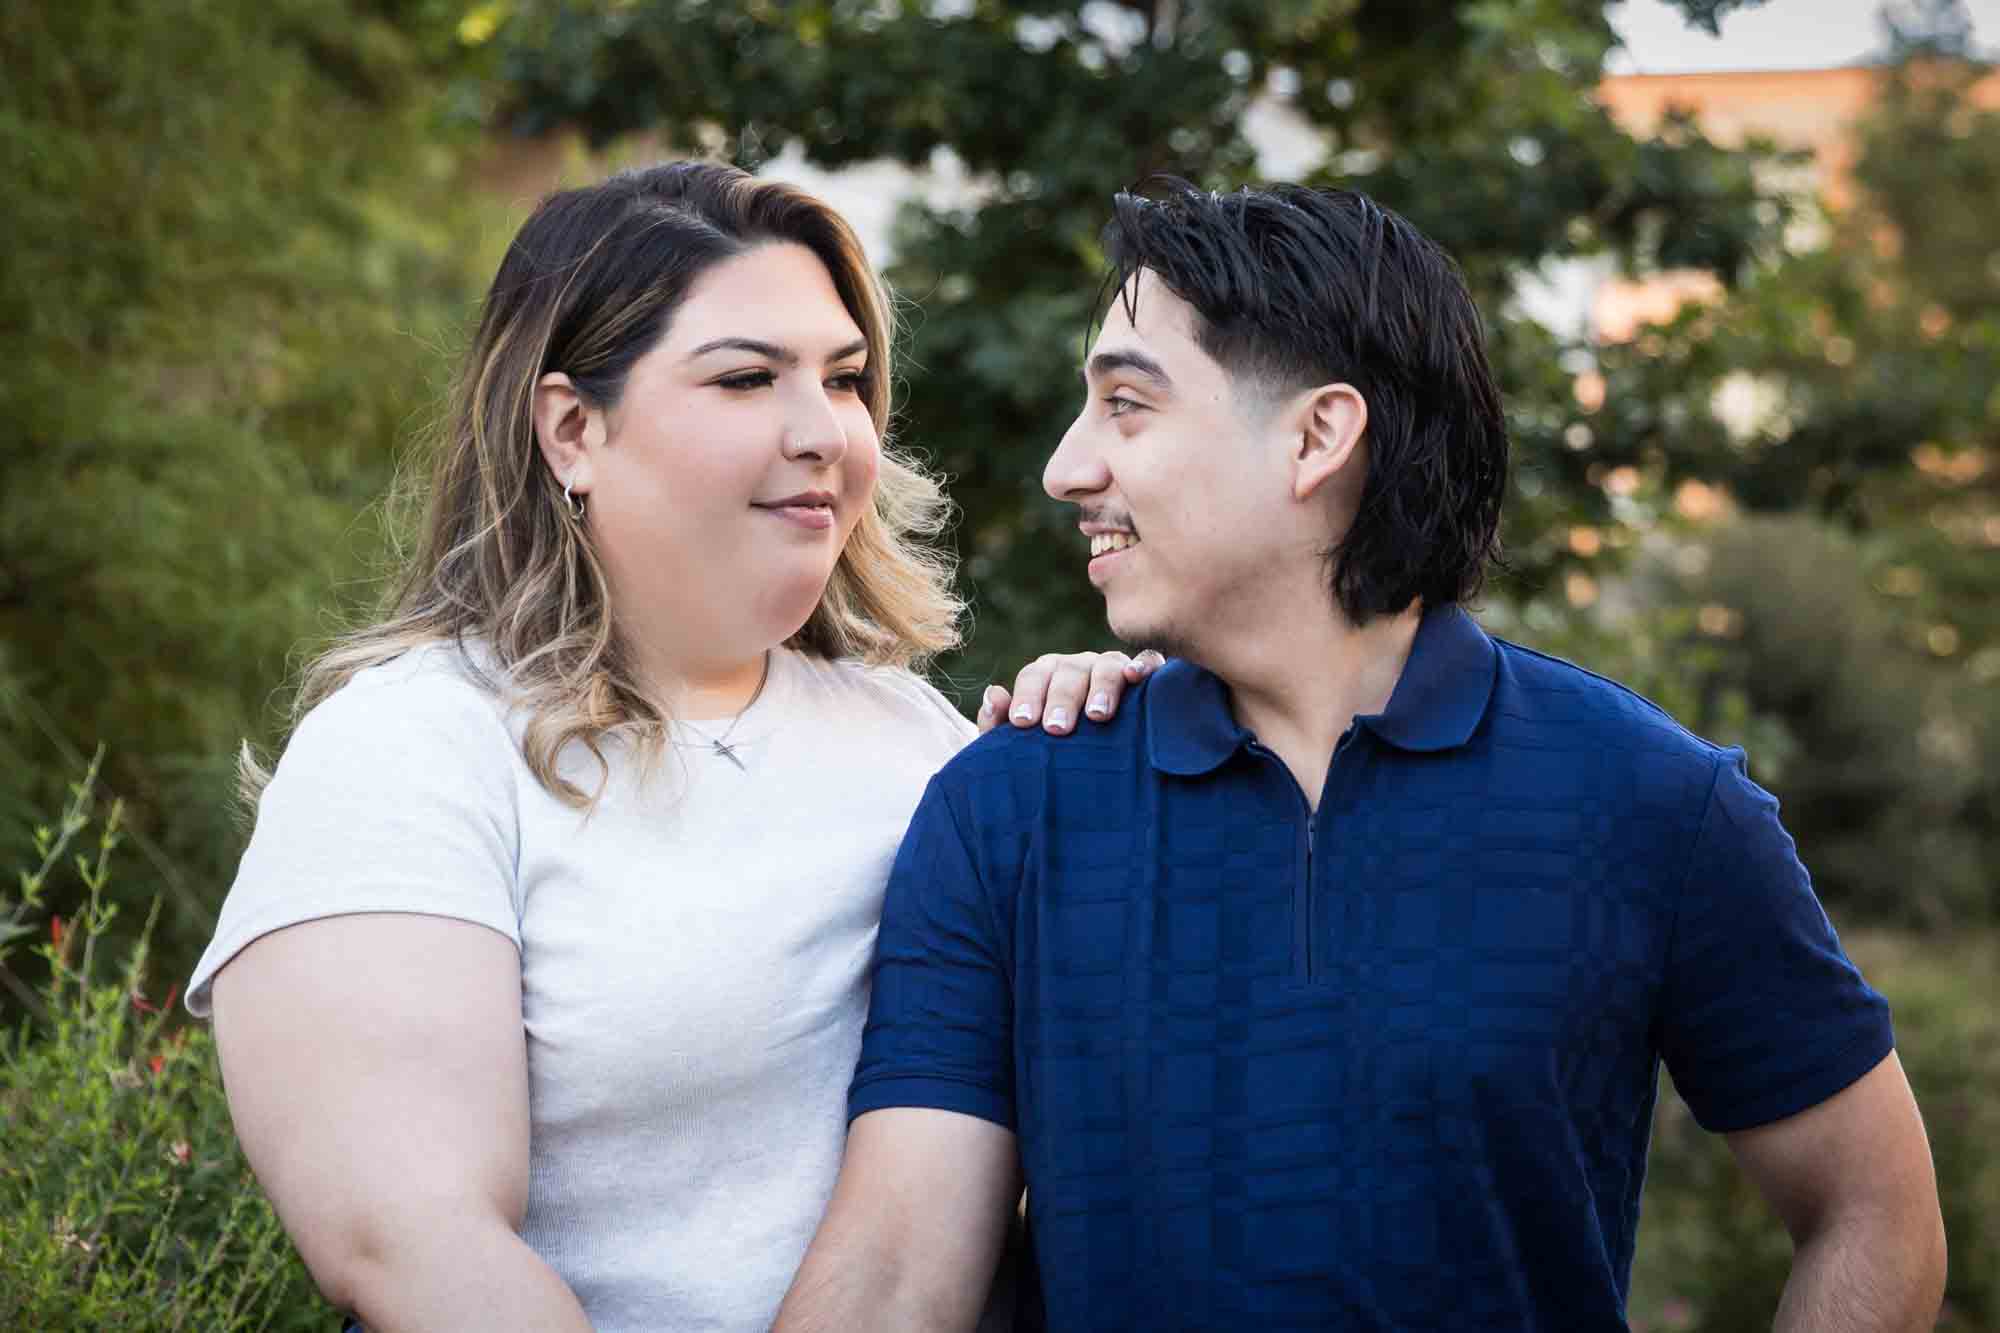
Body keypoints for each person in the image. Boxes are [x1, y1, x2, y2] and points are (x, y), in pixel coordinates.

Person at [774, 180, 1948, 1331]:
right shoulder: (1005, 805)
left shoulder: (1652, 803)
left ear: (1316, 437)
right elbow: (892, 1274)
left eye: (1126, 406)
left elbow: (1873, 1216)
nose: (1066, 469)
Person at [183, 160, 1153, 1333]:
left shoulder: (922, 741)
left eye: (843, 379)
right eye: (747, 378)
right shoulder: (408, 753)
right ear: (573, 429)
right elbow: (412, 1248)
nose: (822, 433)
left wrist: (1096, 744)